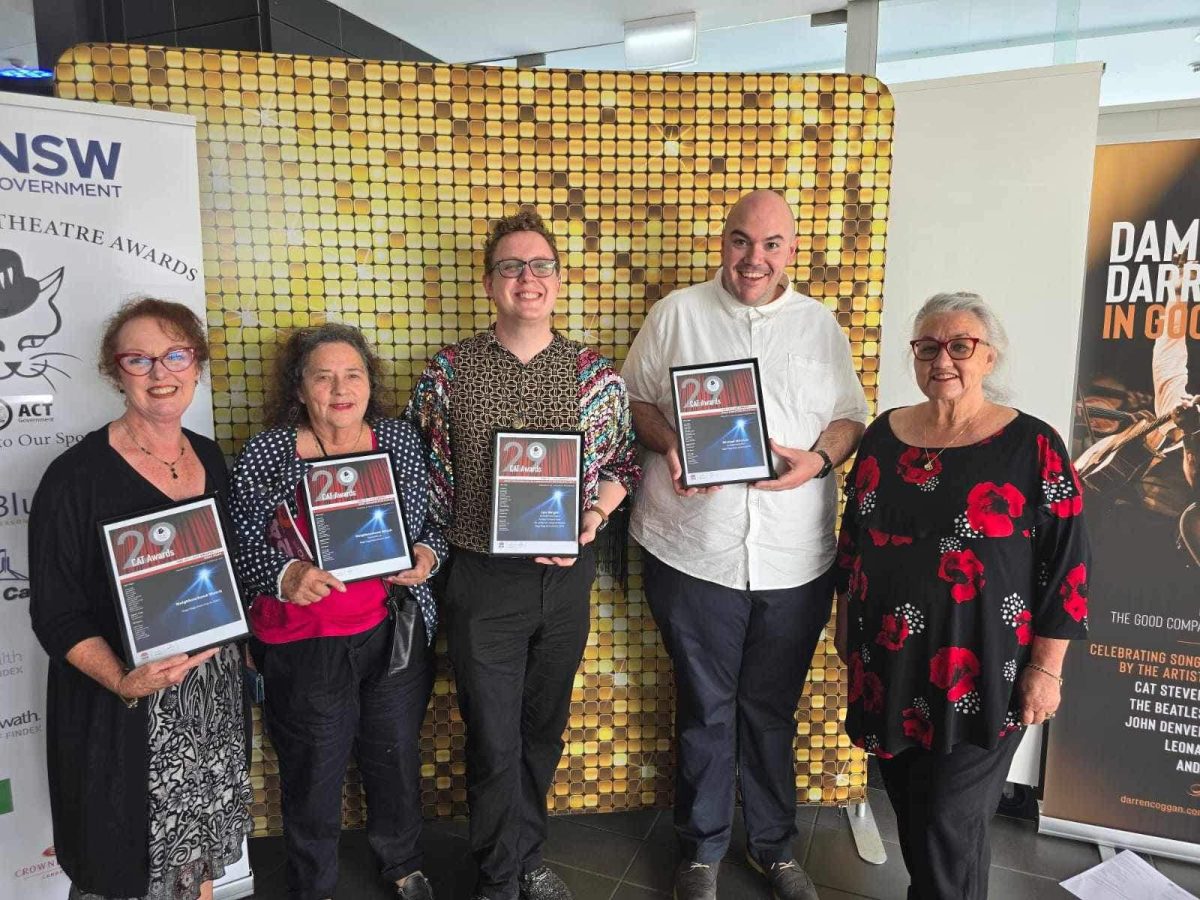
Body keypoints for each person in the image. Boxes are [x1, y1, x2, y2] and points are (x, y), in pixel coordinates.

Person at [621, 189, 868, 900]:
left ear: (793, 250)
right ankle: (700, 852)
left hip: (795, 559)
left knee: (769, 708)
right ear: (722, 242)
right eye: (740, 241)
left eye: (770, 244)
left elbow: (851, 417)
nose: (753, 258)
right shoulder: (677, 315)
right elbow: (634, 401)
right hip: (692, 549)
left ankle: (772, 846)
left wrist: (819, 461)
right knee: (704, 707)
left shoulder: (821, 327)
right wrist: (669, 444)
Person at [406, 209, 640, 900]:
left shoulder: (596, 376)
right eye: (511, 266)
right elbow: (421, 474)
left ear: (559, 281)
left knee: (543, 727)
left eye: (540, 266)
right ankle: (499, 873)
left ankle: (529, 856)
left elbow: (623, 463)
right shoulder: (449, 373)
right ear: (489, 283)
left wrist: (594, 516)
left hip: (567, 580)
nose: (526, 279)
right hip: (480, 578)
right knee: (492, 735)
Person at [834, 292, 1091, 900]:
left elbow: (1068, 567)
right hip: (889, 667)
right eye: (928, 347)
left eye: (959, 346)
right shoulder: (882, 436)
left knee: (951, 815)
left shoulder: (1033, 445)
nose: (942, 359)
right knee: (914, 807)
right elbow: (854, 541)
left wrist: (1046, 669)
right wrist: (847, 629)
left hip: (985, 671)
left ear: (988, 356)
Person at [28, 297, 252, 900]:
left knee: (197, 861)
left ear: (197, 364)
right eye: (139, 359)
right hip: (125, 709)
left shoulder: (208, 456)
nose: (161, 373)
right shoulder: (74, 478)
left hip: (209, 701)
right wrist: (123, 680)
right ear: (114, 371)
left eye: (176, 354)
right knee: (119, 873)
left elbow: (225, 572)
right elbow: (55, 611)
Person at [227, 323, 447, 900]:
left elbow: (431, 526)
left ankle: (403, 863)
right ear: (299, 389)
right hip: (305, 639)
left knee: (395, 755)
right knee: (314, 772)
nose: (339, 388)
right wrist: (285, 574)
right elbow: (236, 542)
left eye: (352, 375)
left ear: (370, 383)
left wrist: (427, 554)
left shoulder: (398, 442)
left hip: (390, 630)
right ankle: (313, 884)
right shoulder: (269, 451)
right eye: (323, 377)